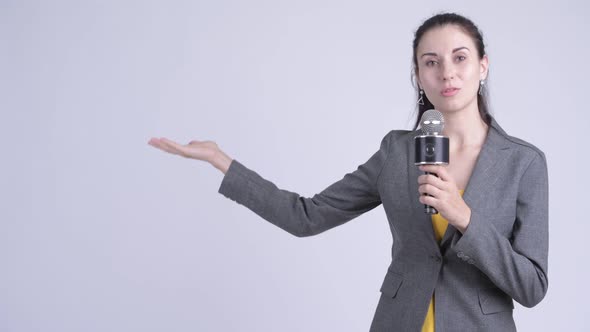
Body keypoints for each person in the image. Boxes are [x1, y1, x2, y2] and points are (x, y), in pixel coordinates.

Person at [148, 12, 548, 332]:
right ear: (419, 76)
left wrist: (463, 216)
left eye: (460, 57)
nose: (447, 72)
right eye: (432, 62)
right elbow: (307, 216)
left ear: (483, 66)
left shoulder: (523, 163)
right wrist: (223, 162)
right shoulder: (396, 151)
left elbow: (531, 286)